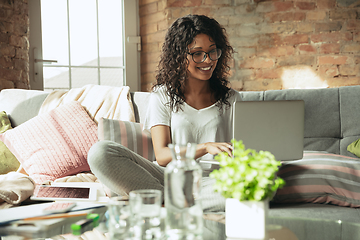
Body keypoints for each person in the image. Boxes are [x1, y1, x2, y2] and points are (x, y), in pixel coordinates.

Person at [88, 14, 242, 212]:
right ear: (179, 56)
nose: (208, 60)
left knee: (253, 188)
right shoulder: (163, 95)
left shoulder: (232, 99)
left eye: (213, 52)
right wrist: (204, 147)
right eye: (197, 53)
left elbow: (242, 151)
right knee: (100, 153)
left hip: (214, 183)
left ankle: (162, 203)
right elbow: (162, 155)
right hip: (167, 177)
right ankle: (172, 200)